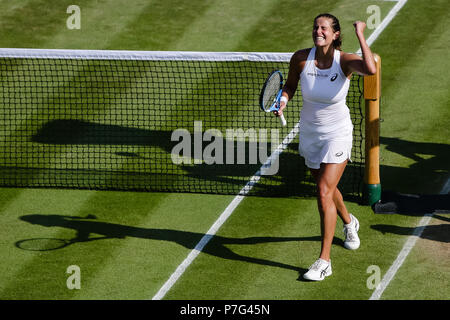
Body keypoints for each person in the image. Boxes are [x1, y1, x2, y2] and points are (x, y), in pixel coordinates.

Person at [276, 13, 376, 281]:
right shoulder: (300, 58)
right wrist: (283, 100)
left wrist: (360, 35)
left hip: (337, 134)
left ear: (334, 35)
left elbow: (371, 69)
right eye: (315, 27)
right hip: (309, 133)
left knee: (323, 191)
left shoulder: (343, 60)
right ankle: (349, 222)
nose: (317, 31)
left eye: (324, 28)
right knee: (327, 188)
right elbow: (290, 85)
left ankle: (324, 261)